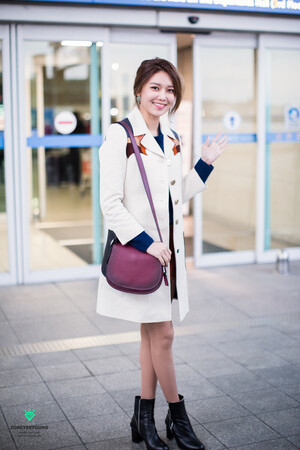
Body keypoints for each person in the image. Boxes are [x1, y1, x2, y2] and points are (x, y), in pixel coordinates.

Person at [96, 58, 228, 450]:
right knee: (164, 335)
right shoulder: (118, 136)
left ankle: (144, 419)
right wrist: (146, 243)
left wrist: (205, 164)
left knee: (150, 335)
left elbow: (174, 197)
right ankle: (179, 418)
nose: (163, 96)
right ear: (139, 89)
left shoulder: (170, 137)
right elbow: (110, 203)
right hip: (146, 256)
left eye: (169, 90)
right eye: (155, 87)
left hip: (167, 259)